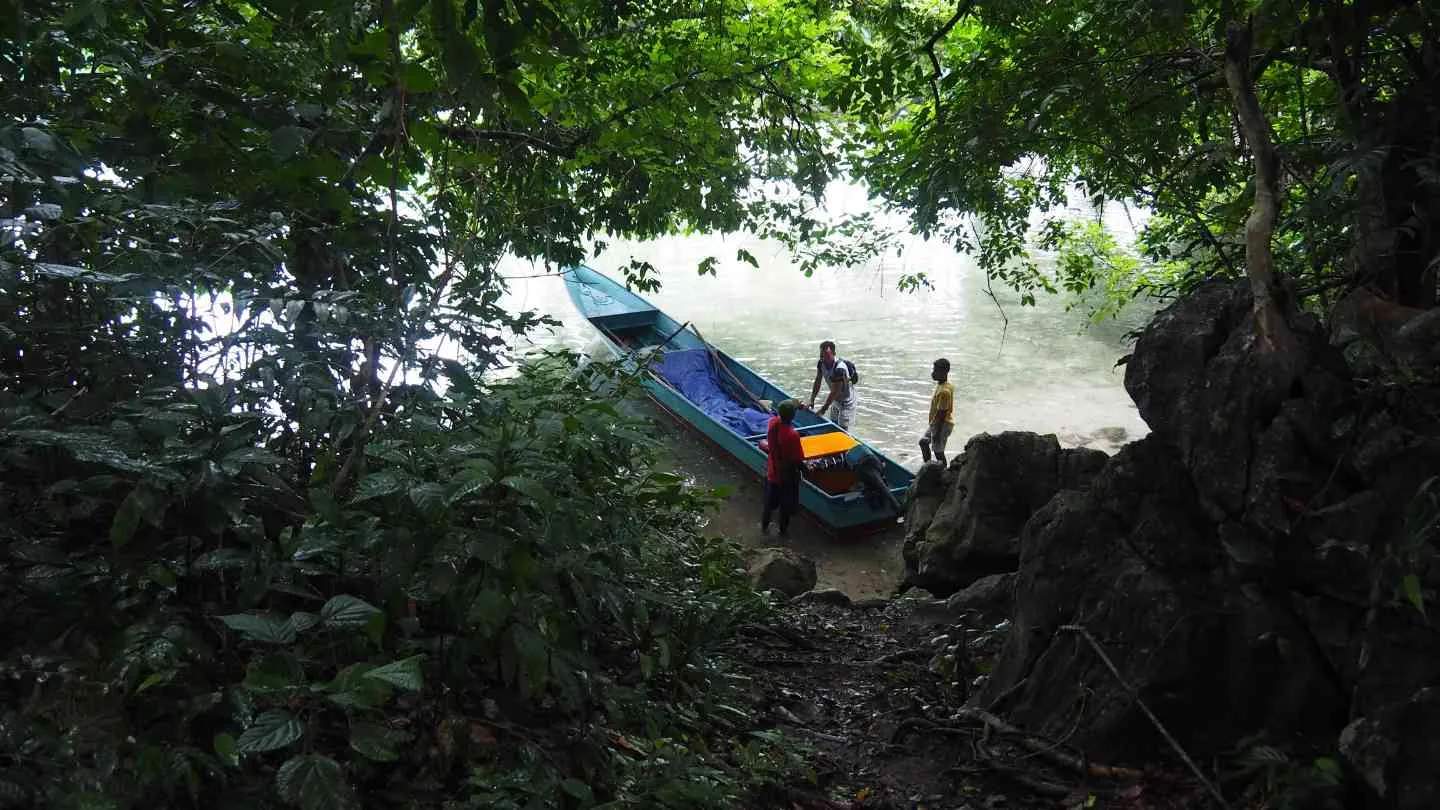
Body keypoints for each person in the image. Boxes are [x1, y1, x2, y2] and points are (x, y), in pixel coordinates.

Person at [762, 399, 806, 536]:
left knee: (769, 505)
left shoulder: (772, 423)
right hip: (786, 476)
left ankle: (764, 529)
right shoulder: (793, 435)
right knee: (785, 507)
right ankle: (783, 533)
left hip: (773, 472)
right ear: (793, 416)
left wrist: (796, 406)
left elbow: (784, 413)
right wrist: (806, 470)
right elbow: (797, 460)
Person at [919, 358, 955, 465]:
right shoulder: (944, 385)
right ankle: (928, 467)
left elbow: (942, 413)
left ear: (944, 372)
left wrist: (937, 433)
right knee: (923, 442)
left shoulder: (944, 391)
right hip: (936, 423)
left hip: (942, 424)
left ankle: (944, 473)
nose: (933, 373)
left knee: (938, 452)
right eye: (933, 370)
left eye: (935, 371)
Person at [808, 341, 857, 412]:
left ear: (834, 354)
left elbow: (835, 391)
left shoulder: (839, 369)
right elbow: (817, 382)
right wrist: (812, 400)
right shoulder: (821, 363)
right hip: (836, 398)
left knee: (842, 423)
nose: (823, 358)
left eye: (826, 355)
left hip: (847, 400)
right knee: (833, 420)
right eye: (821, 355)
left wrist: (823, 409)